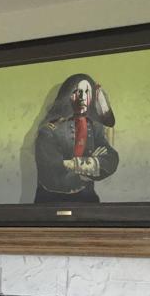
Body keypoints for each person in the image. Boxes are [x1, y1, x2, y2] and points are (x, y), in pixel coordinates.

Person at [34, 73, 118, 203]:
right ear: (68, 95)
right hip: (51, 201)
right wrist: (92, 165)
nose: (82, 97)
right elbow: (51, 173)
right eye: (78, 92)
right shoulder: (48, 130)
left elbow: (111, 159)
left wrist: (71, 165)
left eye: (86, 92)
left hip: (88, 199)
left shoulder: (94, 127)